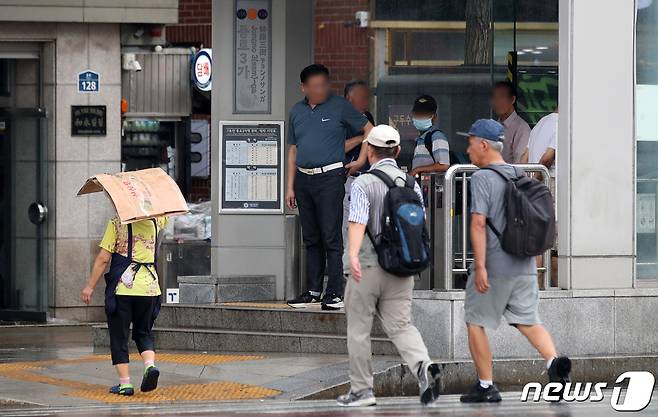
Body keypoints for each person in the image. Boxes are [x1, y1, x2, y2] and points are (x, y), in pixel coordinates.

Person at [457, 119, 571, 403]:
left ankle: (486, 385)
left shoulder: (482, 178)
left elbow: (479, 224)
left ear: (483, 145)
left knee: (475, 321)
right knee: (529, 321)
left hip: (494, 267)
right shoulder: (518, 174)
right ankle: (554, 365)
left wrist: (480, 267)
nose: (468, 150)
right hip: (525, 266)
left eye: (470, 143)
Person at [337, 124, 441, 407]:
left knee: (359, 329)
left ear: (369, 150)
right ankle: (423, 366)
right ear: (396, 151)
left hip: (368, 267)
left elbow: (357, 221)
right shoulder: (411, 184)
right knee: (401, 326)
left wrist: (354, 256)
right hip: (402, 266)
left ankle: (362, 390)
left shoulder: (363, 183)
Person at [286, 64, 374, 310]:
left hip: (331, 177)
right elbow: (293, 150)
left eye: (324, 84)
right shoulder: (296, 111)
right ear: (304, 88)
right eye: (315, 86)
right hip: (304, 179)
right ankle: (313, 290)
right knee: (311, 237)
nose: (320, 89)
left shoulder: (339, 106)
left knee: (331, 236)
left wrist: (360, 160)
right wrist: (290, 187)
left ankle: (334, 293)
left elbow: (369, 130)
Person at [80, 216, 167, 396]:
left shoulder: (117, 223)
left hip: (123, 289)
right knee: (144, 332)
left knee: (119, 336)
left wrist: (90, 286)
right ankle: (150, 366)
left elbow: (103, 258)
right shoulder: (156, 221)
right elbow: (164, 215)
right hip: (150, 288)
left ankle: (125, 384)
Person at [342, 80, 376, 279]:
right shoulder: (340, 119)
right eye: (363, 98)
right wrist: (362, 137)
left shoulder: (367, 118)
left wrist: (366, 135)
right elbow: (339, 147)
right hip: (349, 181)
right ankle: (348, 272)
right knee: (349, 227)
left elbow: (373, 139)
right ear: (349, 98)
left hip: (368, 180)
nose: (367, 102)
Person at [408, 94, 450, 177]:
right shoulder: (420, 139)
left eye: (425, 114)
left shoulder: (437, 136)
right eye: (418, 114)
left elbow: (444, 165)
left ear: (434, 117)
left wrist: (417, 170)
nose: (420, 117)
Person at [491, 81, 530, 164]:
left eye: (501, 97)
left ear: (512, 99)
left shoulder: (522, 128)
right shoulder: (494, 126)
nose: (497, 102)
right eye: (494, 97)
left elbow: (520, 164)